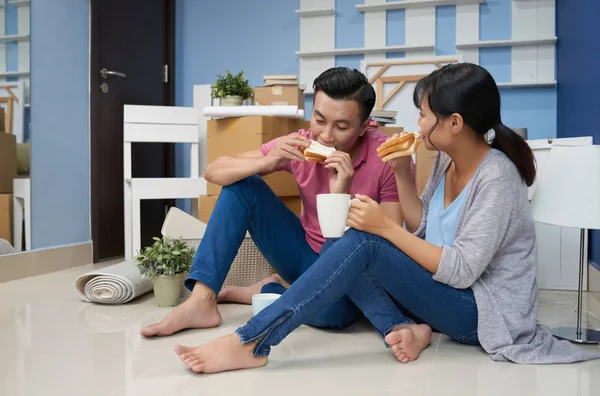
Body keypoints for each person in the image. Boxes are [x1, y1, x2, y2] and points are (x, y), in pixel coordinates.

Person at [172, 63, 600, 373]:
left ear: (453, 123)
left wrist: (382, 226)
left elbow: (463, 268)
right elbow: (422, 227)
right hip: (439, 294)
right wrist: (401, 176)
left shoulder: (498, 178)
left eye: (425, 115)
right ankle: (224, 305)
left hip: (481, 314)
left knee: (359, 239)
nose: (418, 122)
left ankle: (253, 341)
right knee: (355, 239)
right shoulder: (445, 163)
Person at [140, 67, 413, 337]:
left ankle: (269, 290)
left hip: (355, 274)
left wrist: (340, 192)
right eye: (319, 119)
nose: (326, 136)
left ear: (366, 127)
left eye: (341, 127)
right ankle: (201, 300)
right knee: (243, 185)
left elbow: (390, 239)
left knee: (335, 315)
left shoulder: (387, 158)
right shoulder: (300, 144)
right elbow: (213, 171)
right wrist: (267, 162)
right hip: (304, 254)